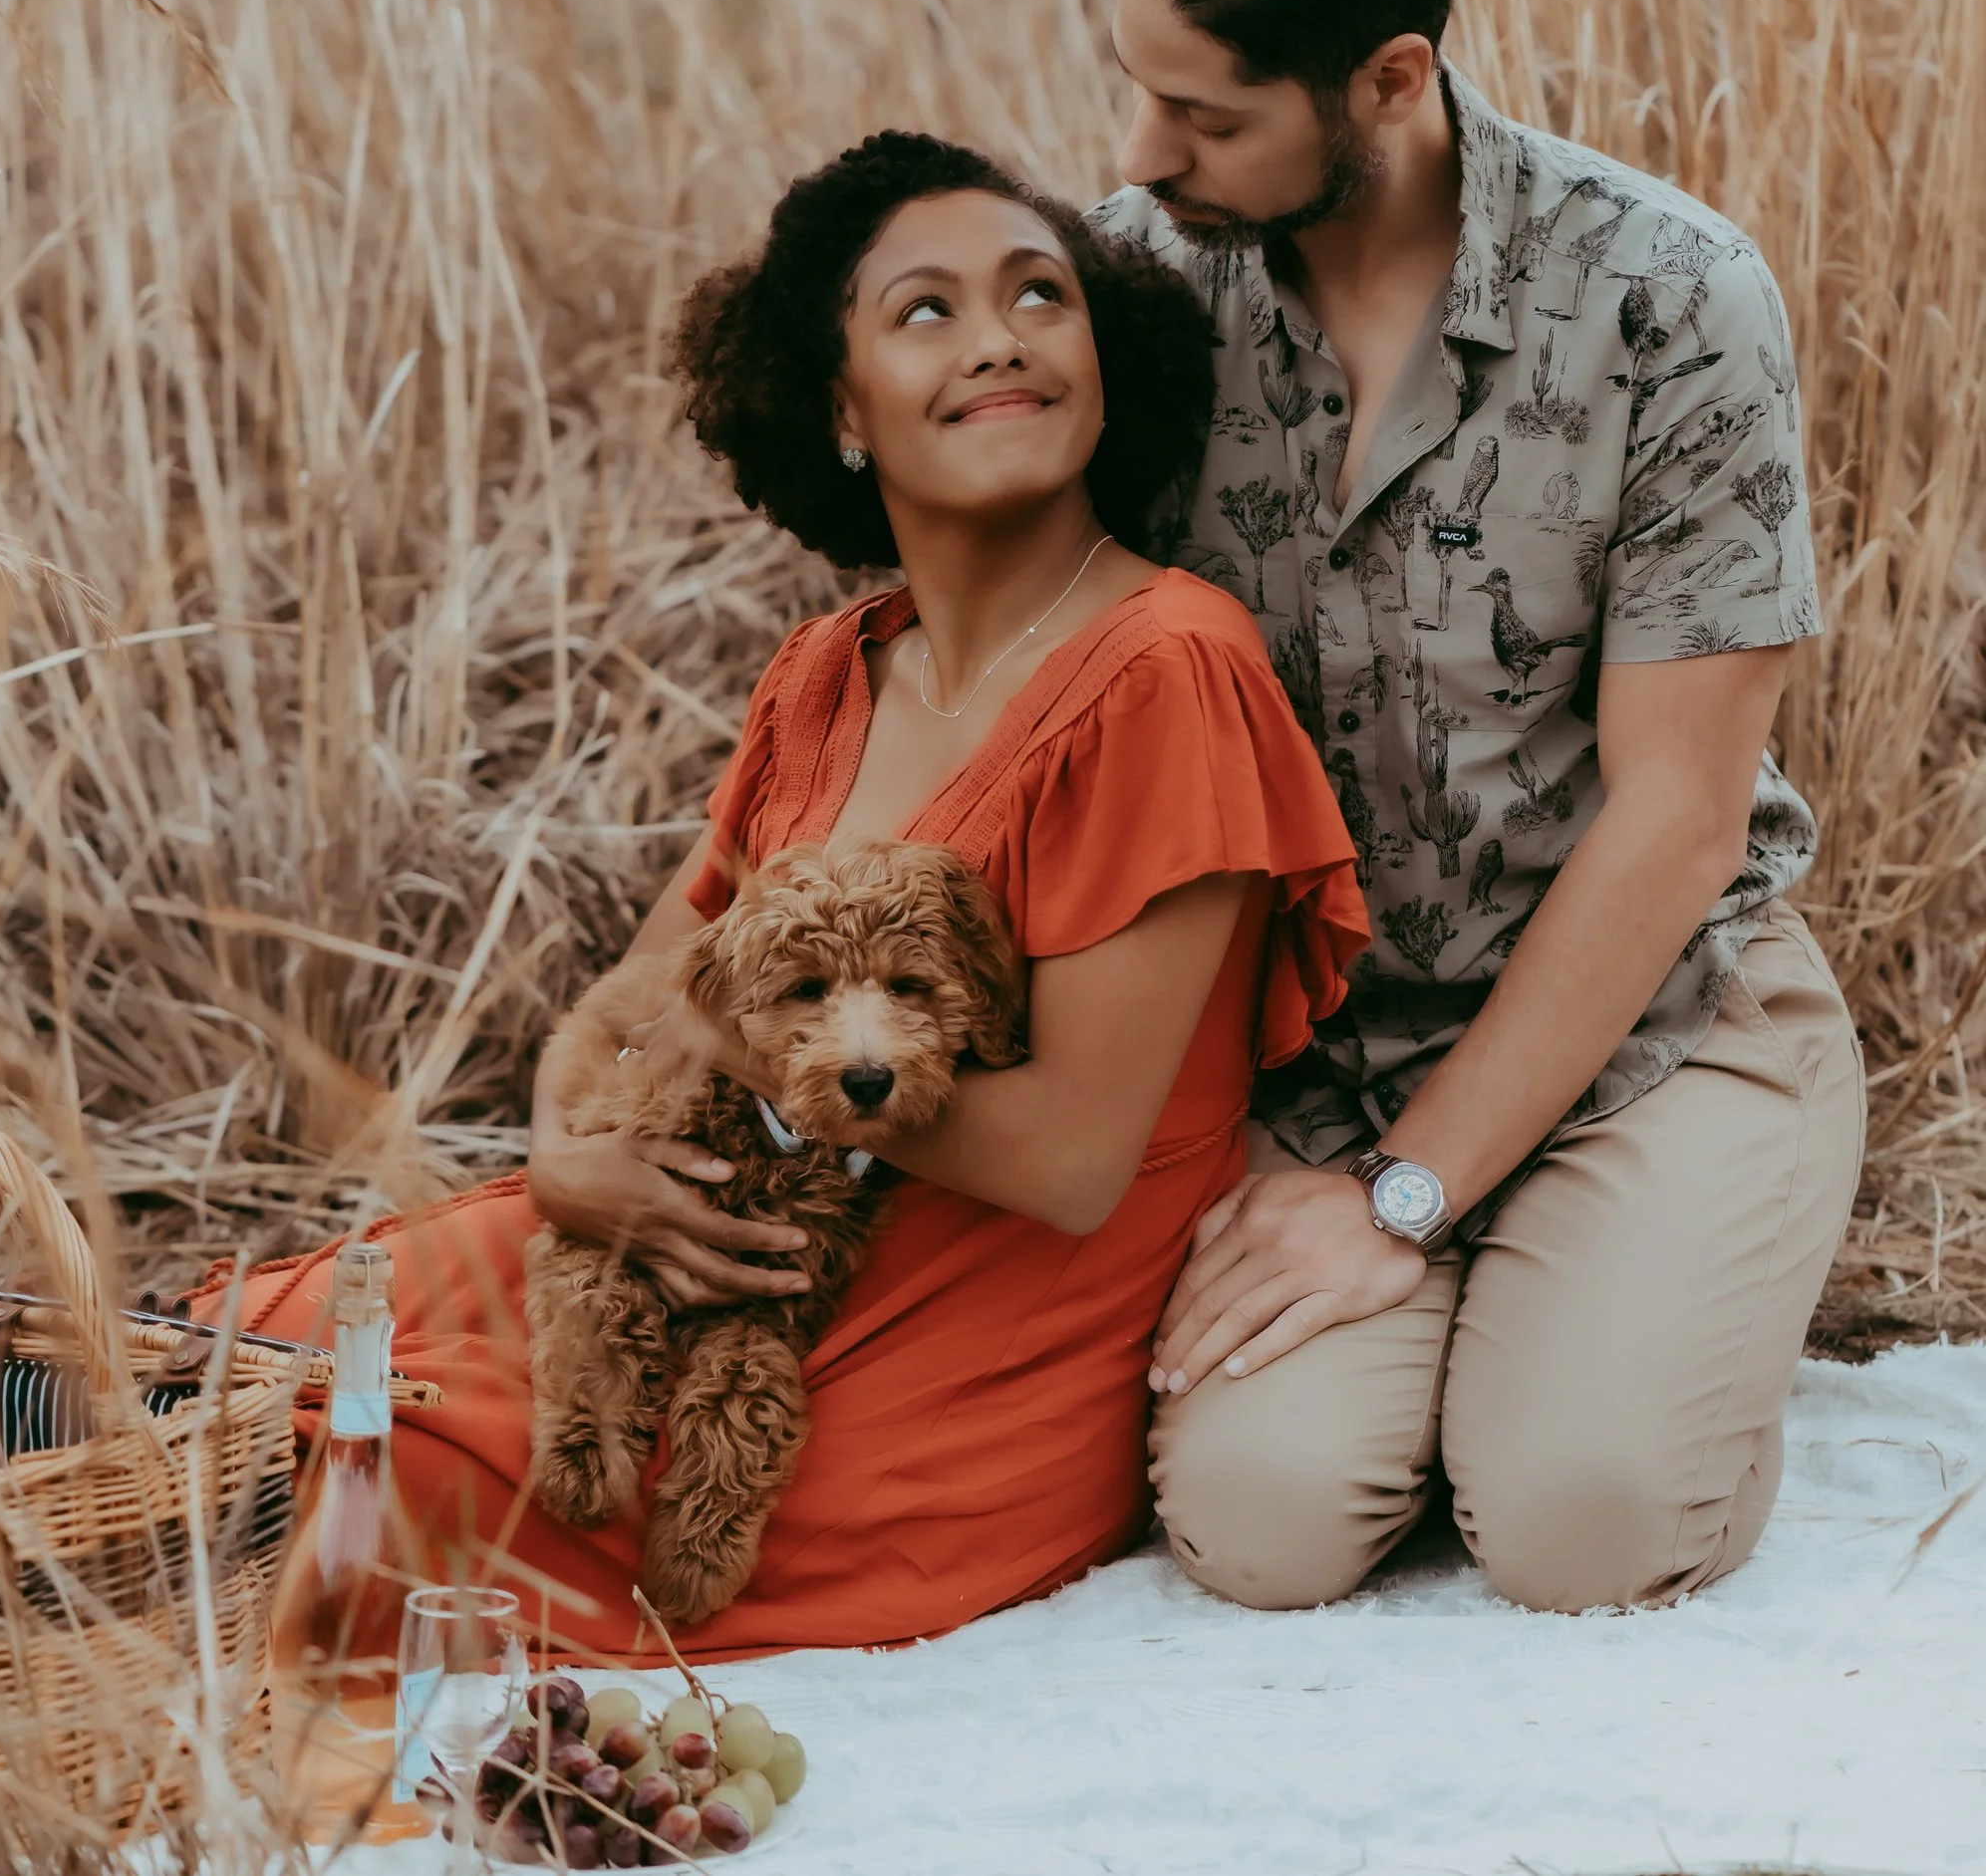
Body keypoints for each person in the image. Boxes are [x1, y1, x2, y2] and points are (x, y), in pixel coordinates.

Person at [201, 134, 1367, 1660]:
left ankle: (25, 1577)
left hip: (953, 1337)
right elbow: (641, 1003)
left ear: (1106, 356)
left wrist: (732, 1054)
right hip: (693, 1217)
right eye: (926, 311)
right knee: (252, 1331)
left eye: (1039, 295)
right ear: (839, 408)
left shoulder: (1168, 667)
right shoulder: (827, 674)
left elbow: (1077, 1157)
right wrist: (569, 1159)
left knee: (406, 1457)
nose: (1001, 336)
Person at [1094, 0, 1865, 1613]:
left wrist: (1407, 1204)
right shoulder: (1133, 291)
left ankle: (1632, 1308)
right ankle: (1497, 1329)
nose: (1140, 159)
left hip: (1654, 1022)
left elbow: (1680, 823)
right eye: (1138, 96)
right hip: (1319, 1056)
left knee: (1580, 1522)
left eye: (1205, 118)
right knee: (1262, 1526)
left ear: (1389, 79)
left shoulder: (1673, 299)